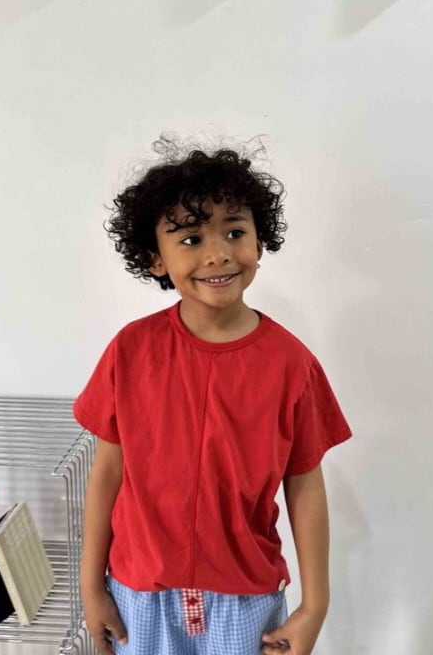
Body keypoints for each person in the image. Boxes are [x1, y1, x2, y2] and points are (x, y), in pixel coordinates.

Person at [74, 139, 352, 655]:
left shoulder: (291, 364)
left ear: (259, 242)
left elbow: (305, 484)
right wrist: (91, 588)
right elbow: (107, 471)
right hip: (139, 594)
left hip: (245, 599)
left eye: (234, 231)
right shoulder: (130, 351)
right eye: (191, 238)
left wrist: (315, 605)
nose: (218, 253)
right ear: (154, 258)